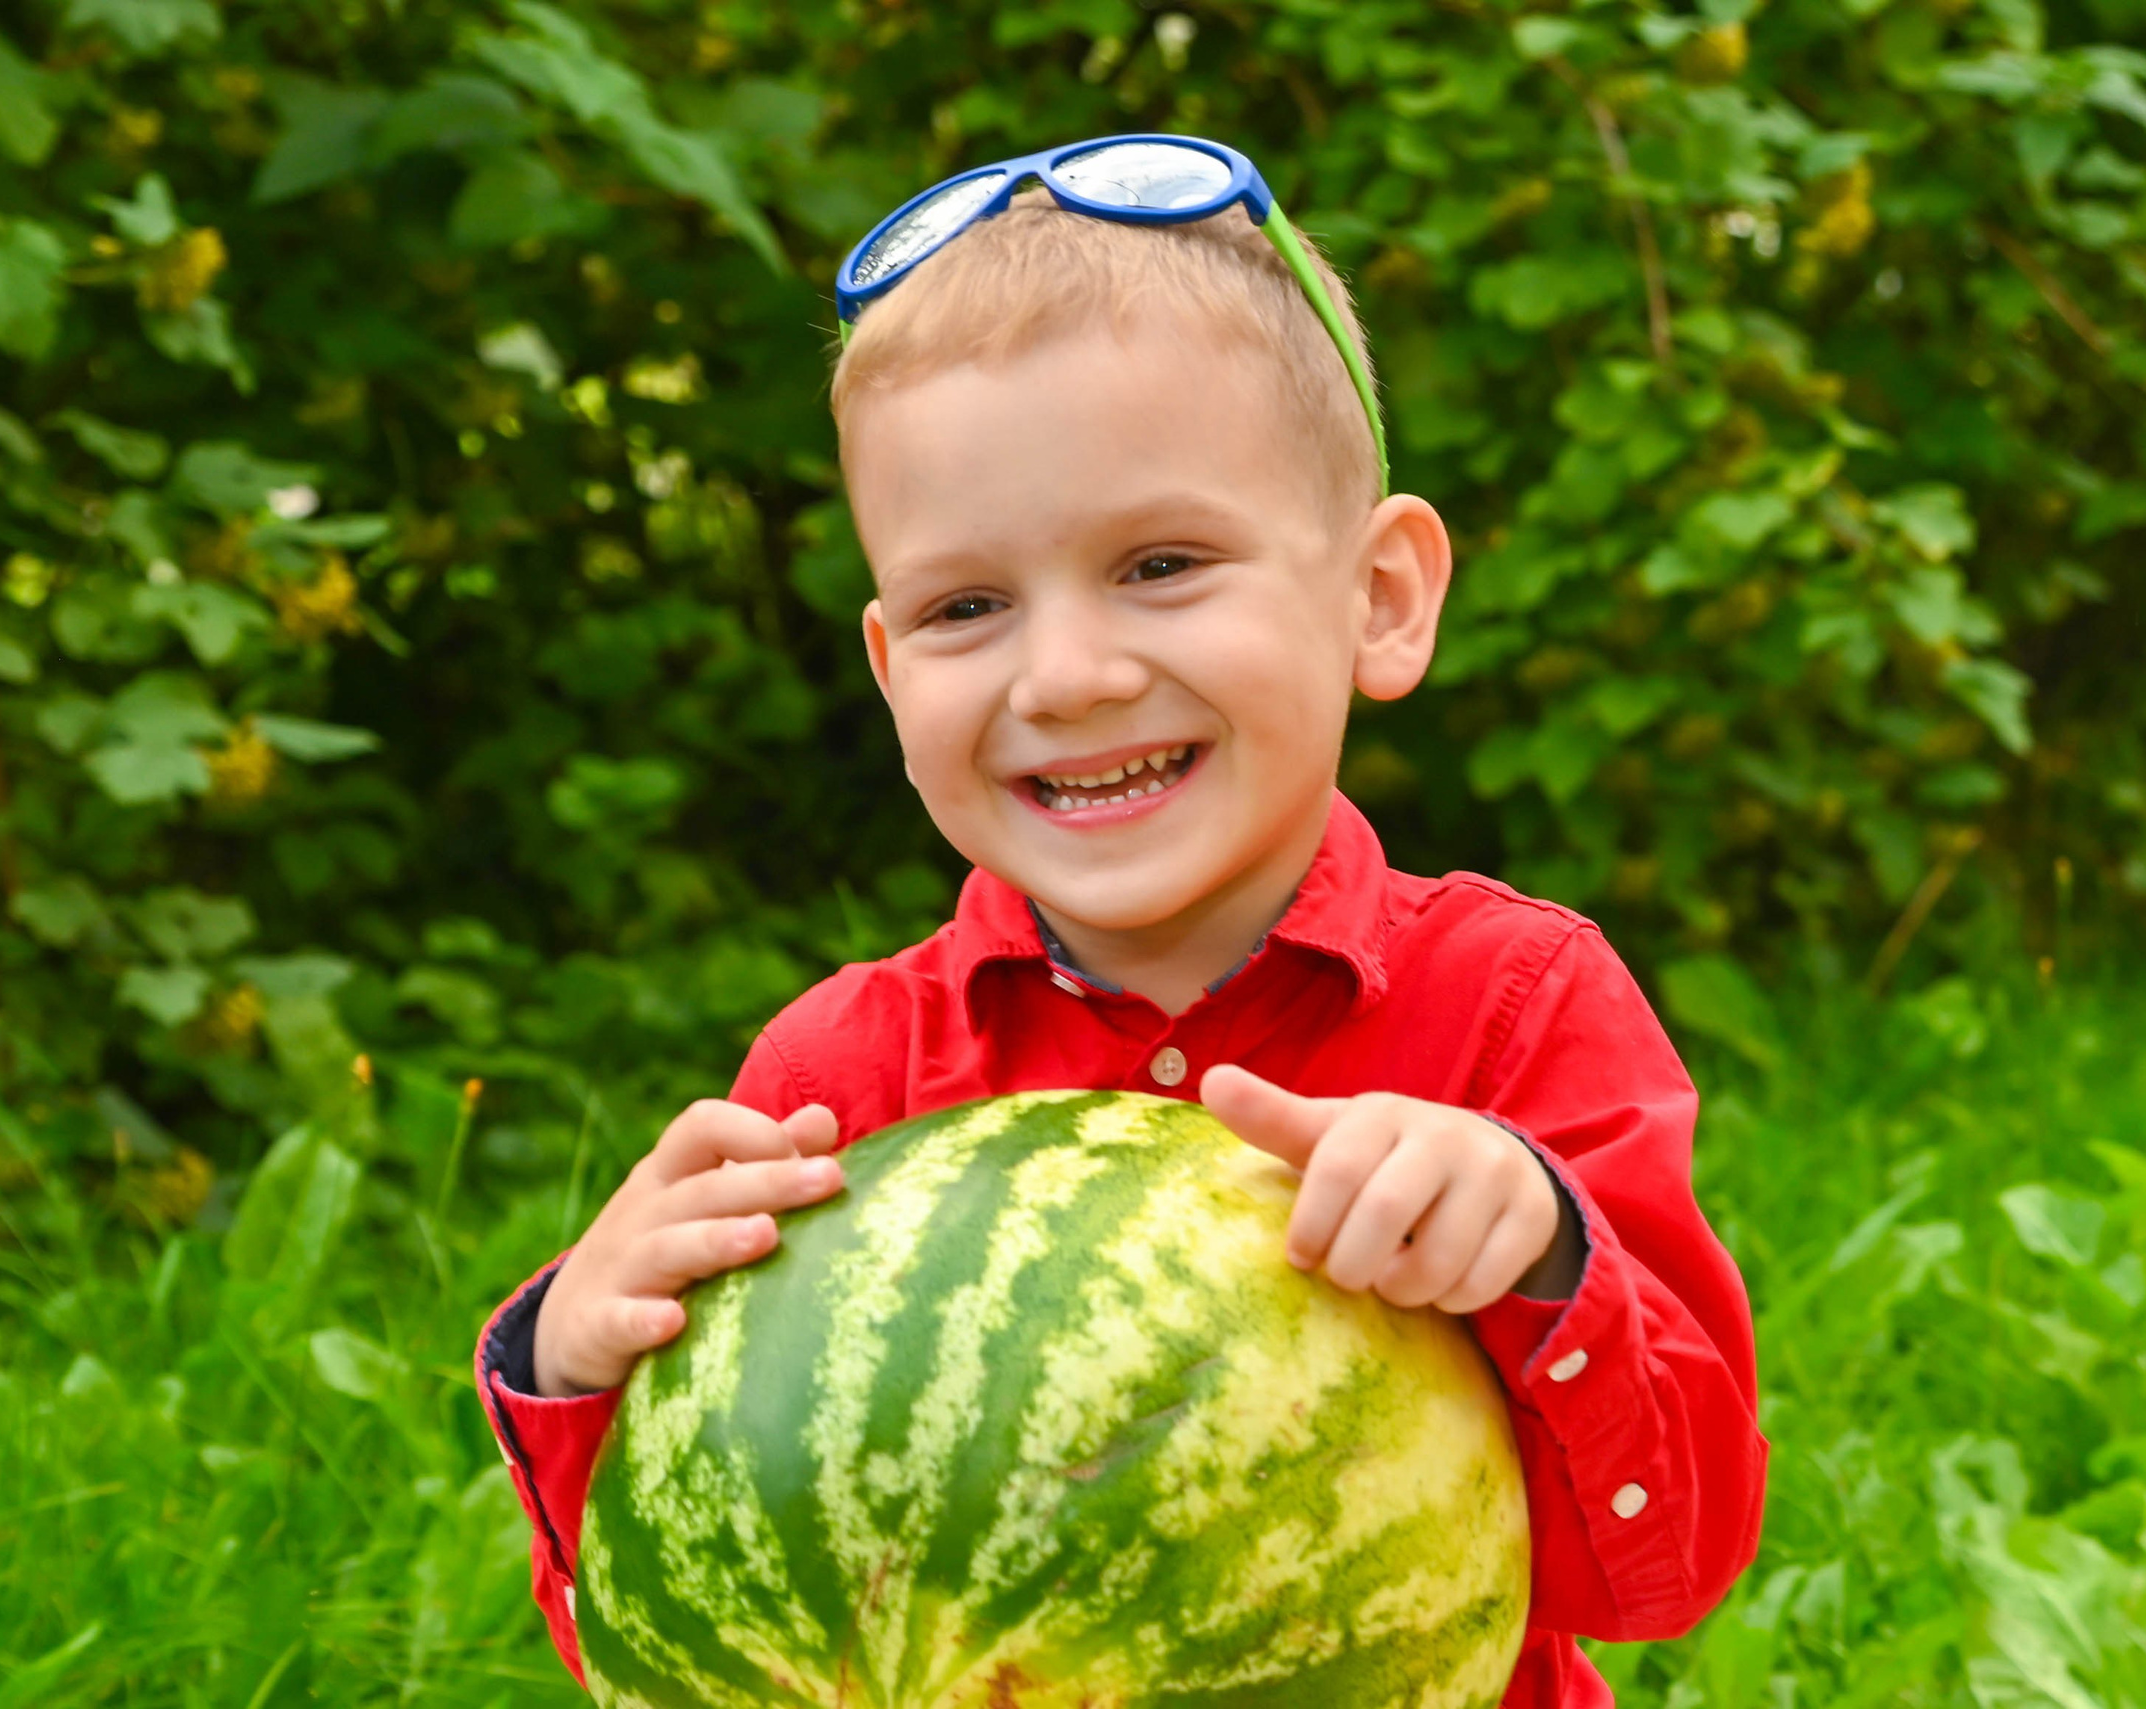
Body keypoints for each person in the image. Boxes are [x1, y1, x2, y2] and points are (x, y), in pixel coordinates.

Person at [473, 135, 1763, 1708]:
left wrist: (1542, 1255)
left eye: (1160, 564)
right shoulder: (840, 1079)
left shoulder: (1512, 1005)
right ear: (889, 672)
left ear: (1380, 597)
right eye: (966, 607)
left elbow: (1670, 1563)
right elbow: (713, 1625)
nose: (1068, 675)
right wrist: (574, 1363)